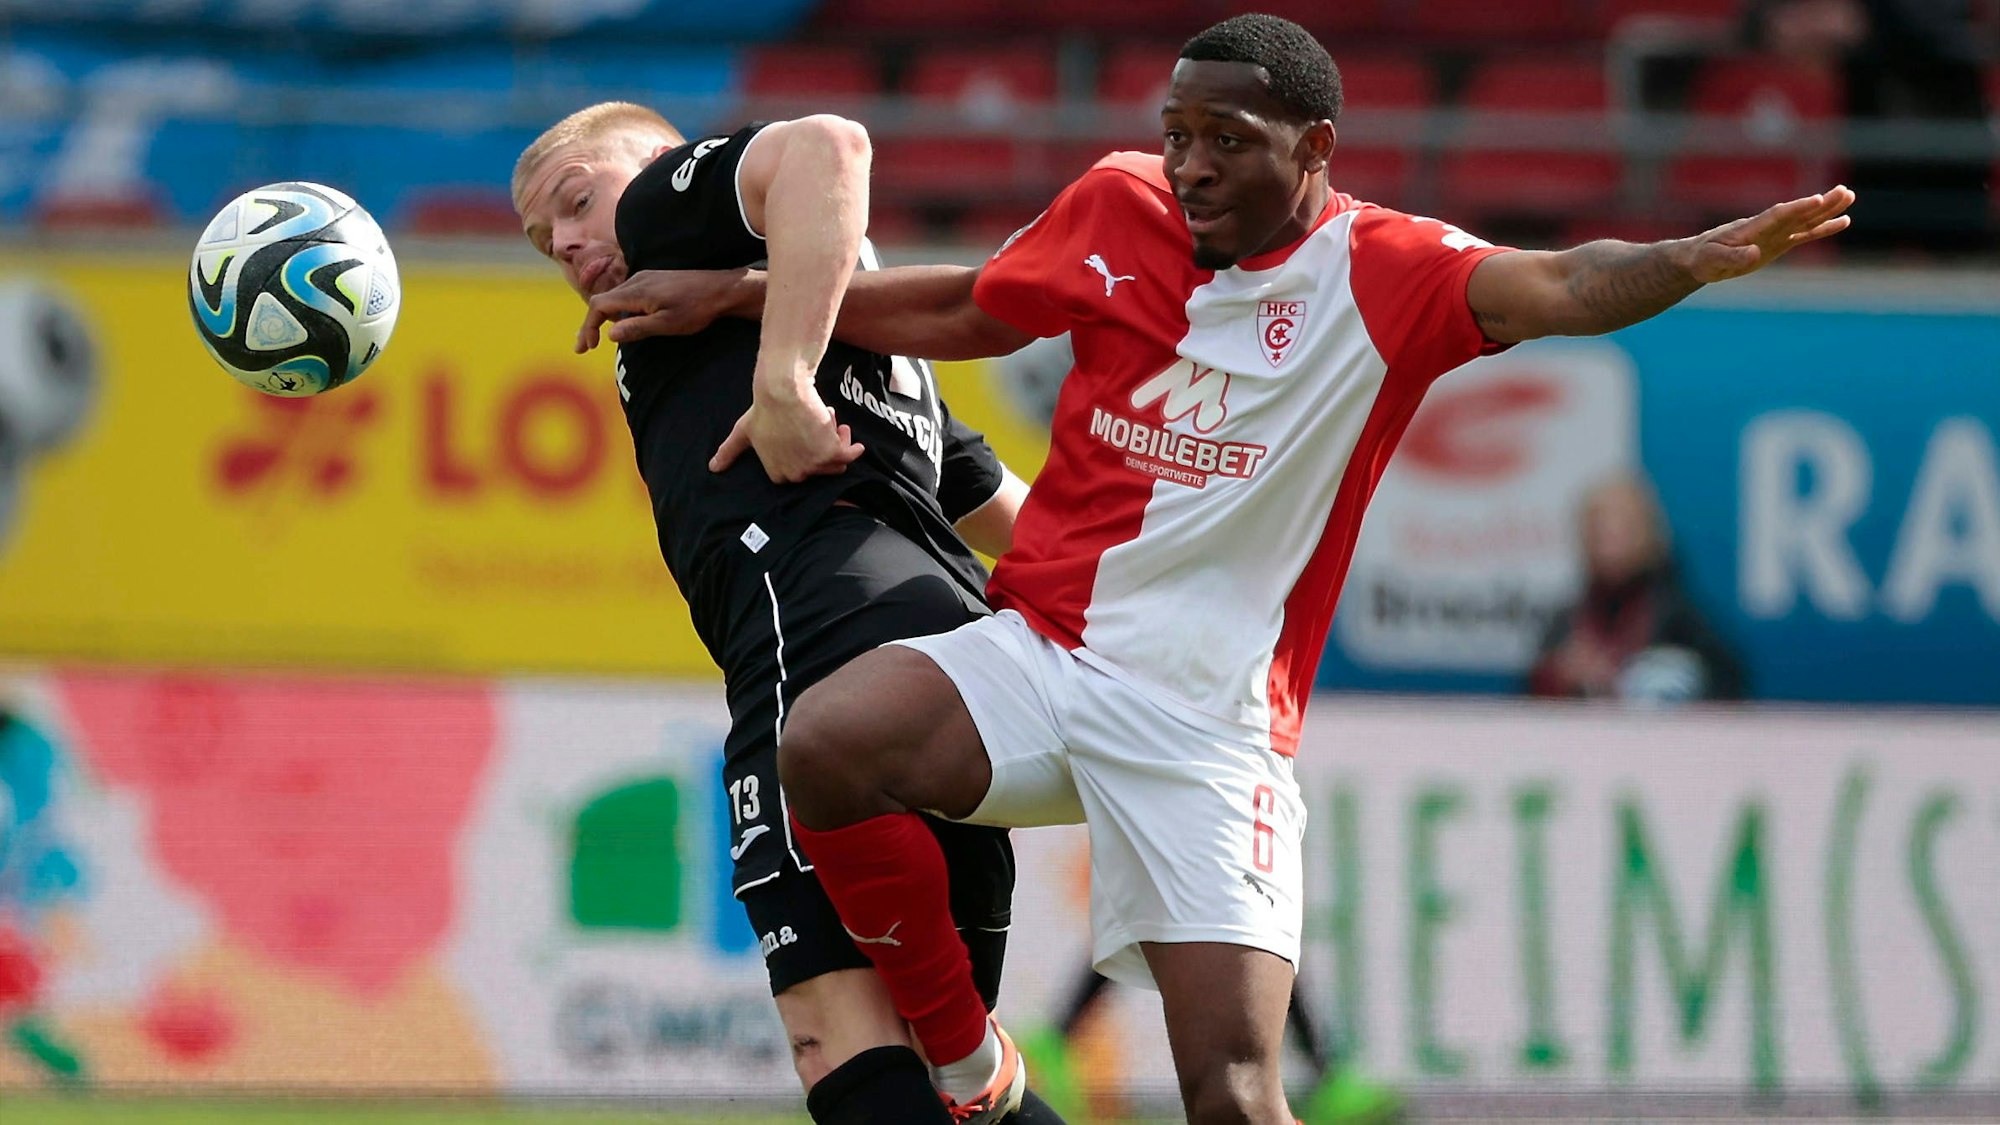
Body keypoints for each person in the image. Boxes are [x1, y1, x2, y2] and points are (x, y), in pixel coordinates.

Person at [582, 14, 1853, 1121]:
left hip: (1207, 729)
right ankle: (970, 1069)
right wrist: (747, 298)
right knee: (827, 745)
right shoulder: (1114, 203)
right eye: (1176, 130)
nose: (1188, 163)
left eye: (1225, 140)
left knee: (1233, 1097)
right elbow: (969, 308)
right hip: (1045, 655)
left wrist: (1687, 259)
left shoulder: (1386, 273)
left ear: (1314, 151)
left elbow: (1566, 282)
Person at [511, 103, 1066, 1125]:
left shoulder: (669, 213)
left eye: (579, 199)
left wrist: (778, 381)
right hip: (950, 669)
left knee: (838, 1039)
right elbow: (998, 508)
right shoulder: (855, 328)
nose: (577, 241)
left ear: (662, 162)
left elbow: (829, 145)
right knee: (953, 1077)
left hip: (814, 632)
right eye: (551, 242)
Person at [1526, 471, 1748, 703]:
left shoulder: (1677, 616)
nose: (1609, 545)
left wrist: (1660, 680)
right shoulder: (1569, 619)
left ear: (1647, 534)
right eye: (1599, 532)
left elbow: (1729, 686)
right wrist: (1560, 677)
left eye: (1621, 530)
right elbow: (1527, 701)